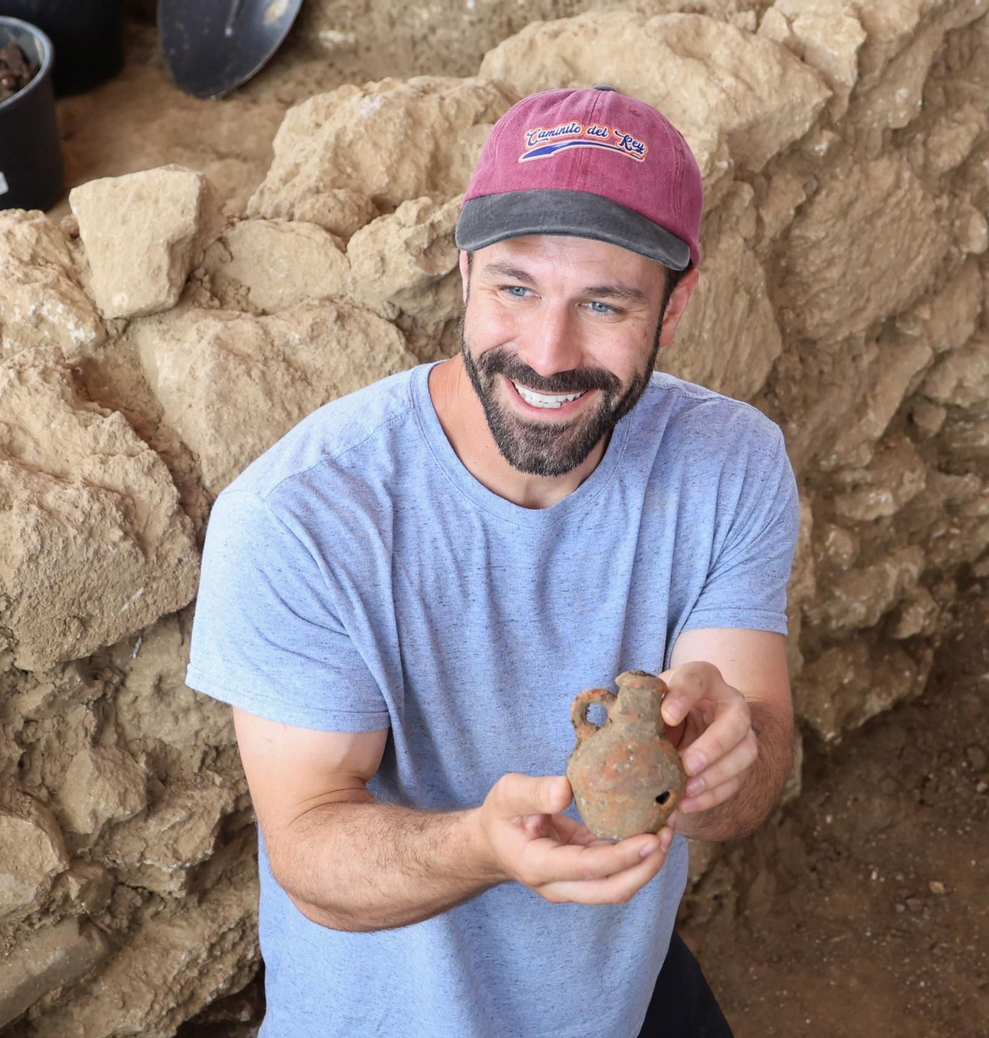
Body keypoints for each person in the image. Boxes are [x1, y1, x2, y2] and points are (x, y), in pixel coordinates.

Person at [186, 86, 800, 1037]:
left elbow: (753, 769)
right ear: (464, 273)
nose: (548, 355)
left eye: (605, 303)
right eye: (516, 288)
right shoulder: (299, 518)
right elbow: (309, 853)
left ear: (672, 312)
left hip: (620, 1001)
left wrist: (726, 758)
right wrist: (485, 845)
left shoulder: (730, 464)